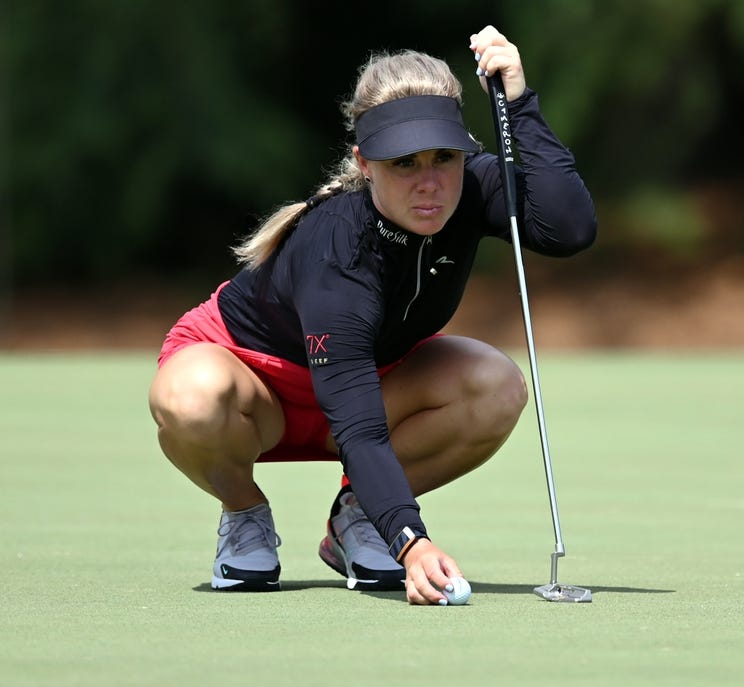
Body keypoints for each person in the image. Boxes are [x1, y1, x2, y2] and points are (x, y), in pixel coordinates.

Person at [148, 26, 597, 605]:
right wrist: (412, 541)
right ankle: (245, 513)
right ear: (364, 162)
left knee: (495, 386)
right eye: (404, 163)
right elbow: (358, 426)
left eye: (444, 158)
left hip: (370, 383)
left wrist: (517, 102)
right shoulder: (339, 246)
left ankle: (355, 519)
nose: (430, 183)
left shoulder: (472, 189)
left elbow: (569, 228)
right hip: (251, 386)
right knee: (191, 397)